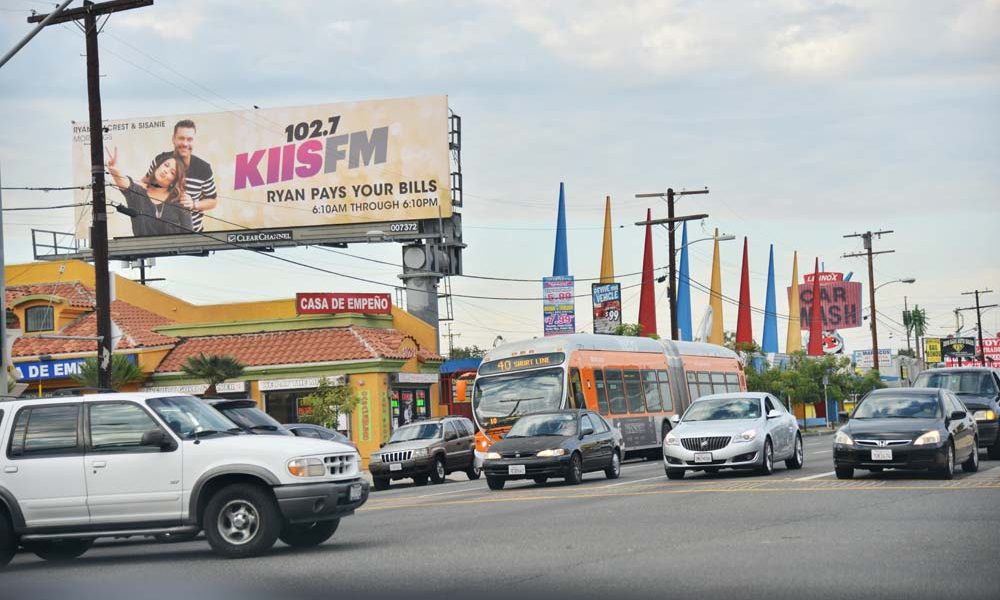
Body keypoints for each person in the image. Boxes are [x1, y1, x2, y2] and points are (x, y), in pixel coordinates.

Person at [145, 119, 217, 232]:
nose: (185, 143)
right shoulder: (160, 160)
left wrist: (194, 204)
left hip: (193, 234)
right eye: (181, 138)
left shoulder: (204, 169)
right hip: (158, 233)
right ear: (173, 139)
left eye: (189, 139)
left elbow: (212, 201)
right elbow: (145, 184)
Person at [106, 146, 194, 237]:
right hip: (142, 246)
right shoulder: (138, 193)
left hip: (174, 246)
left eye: (172, 172)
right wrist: (113, 170)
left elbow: (189, 237)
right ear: (158, 166)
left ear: (174, 181)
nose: (165, 171)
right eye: (166, 165)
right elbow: (125, 183)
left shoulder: (180, 201)